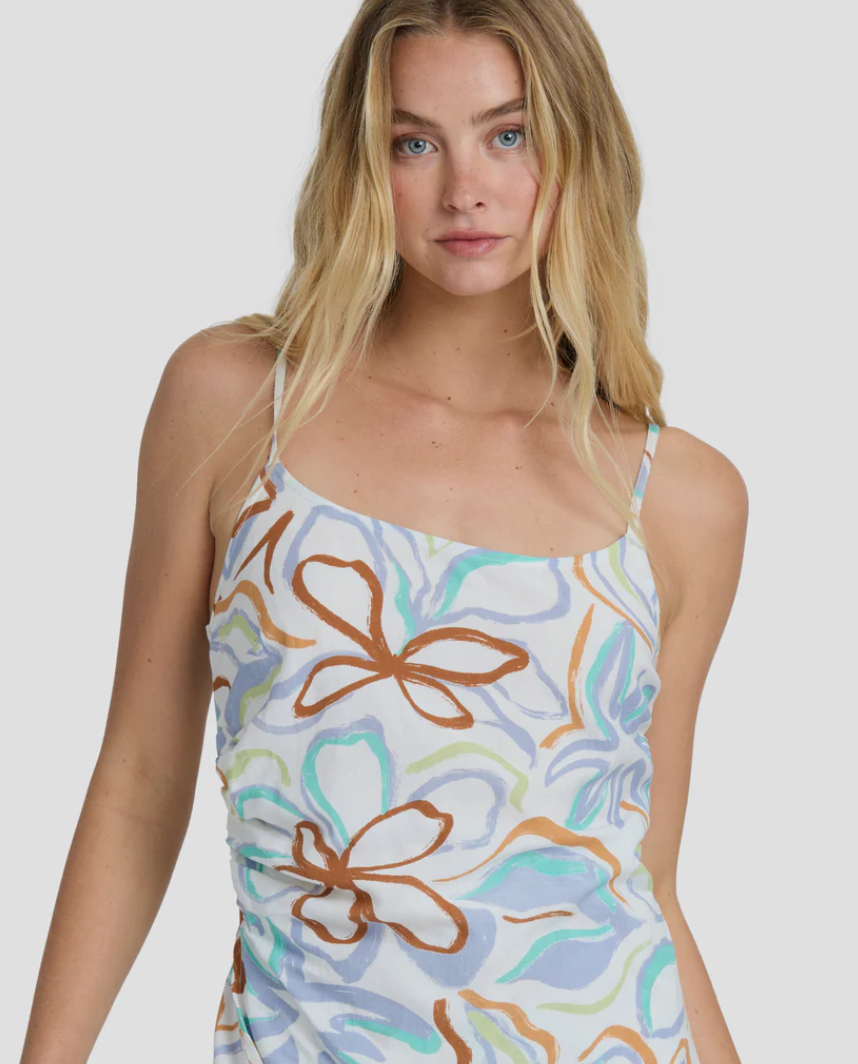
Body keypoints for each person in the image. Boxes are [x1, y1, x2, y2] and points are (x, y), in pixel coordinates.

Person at [20, 2, 747, 1063]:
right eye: (415, 142)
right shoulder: (234, 402)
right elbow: (138, 783)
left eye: (510, 133)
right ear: (362, 163)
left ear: (580, 148)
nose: (465, 188)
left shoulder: (679, 498)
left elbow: (649, 880)